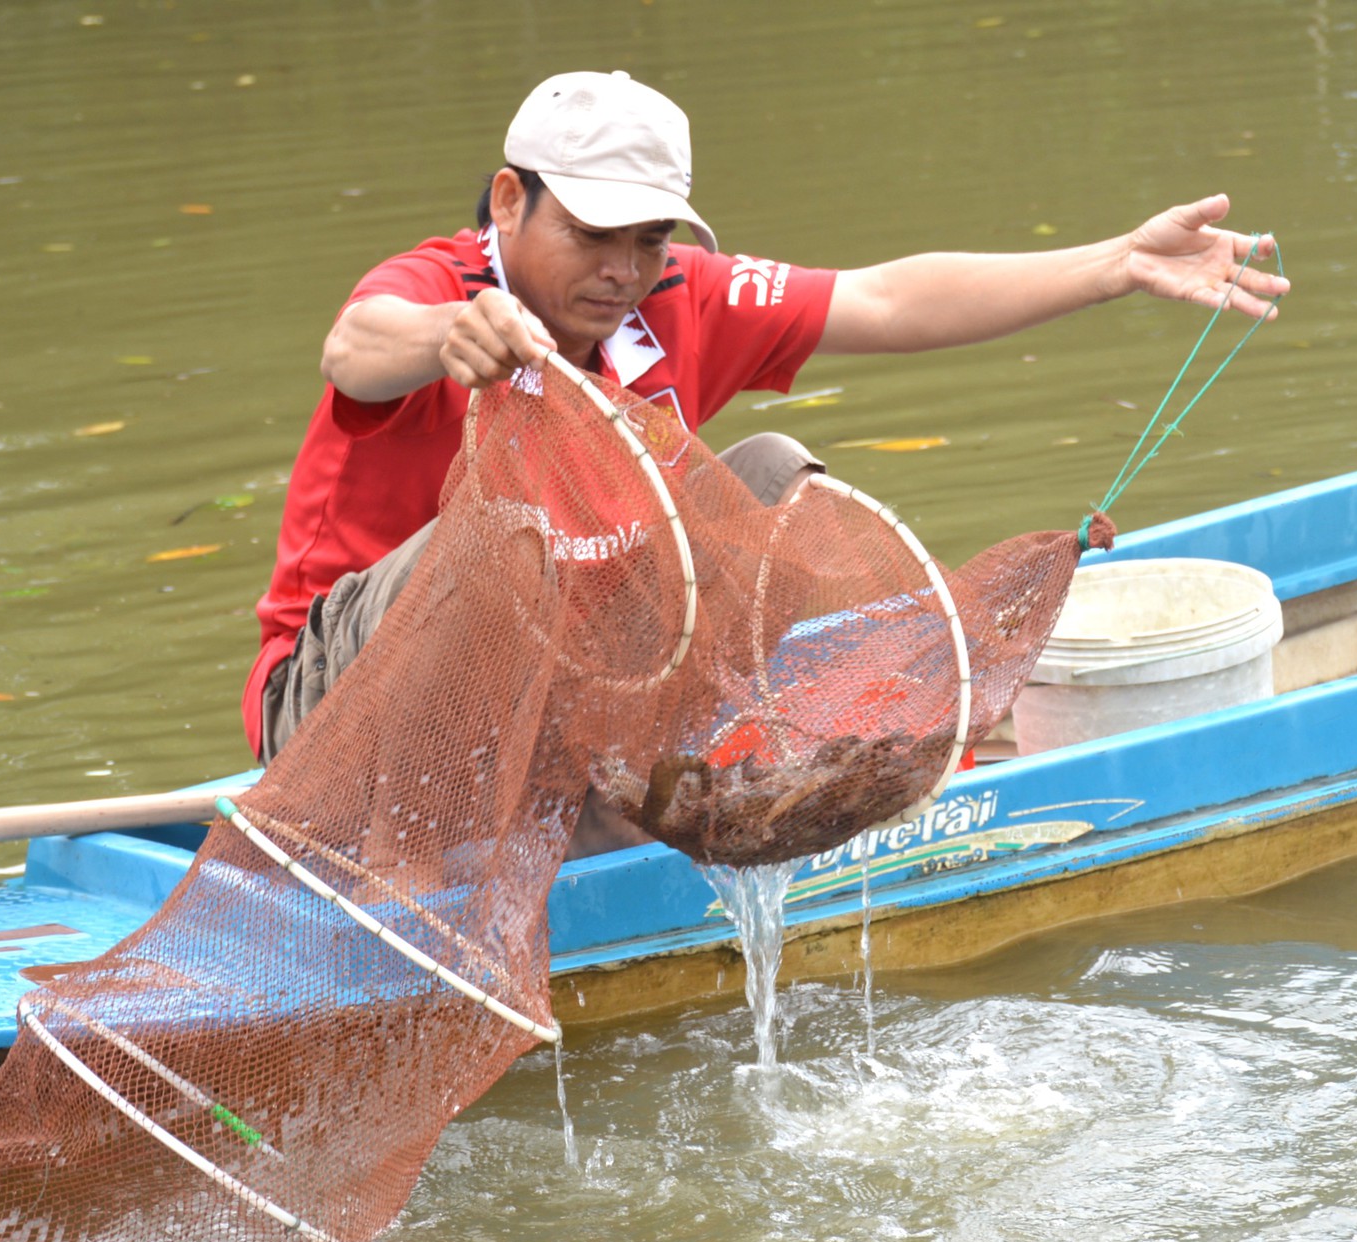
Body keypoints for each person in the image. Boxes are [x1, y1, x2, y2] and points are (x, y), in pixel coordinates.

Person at [246, 69, 1288, 772]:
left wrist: (1114, 265)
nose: (622, 269)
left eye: (648, 238)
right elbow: (356, 345)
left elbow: (884, 299)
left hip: (544, 715)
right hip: (339, 716)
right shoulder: (439, 287)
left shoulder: (677, 296)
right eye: (592, 233)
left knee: (769, 477)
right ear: (511, 201)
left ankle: (643, 779)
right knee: (520, 524)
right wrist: (447, 338)